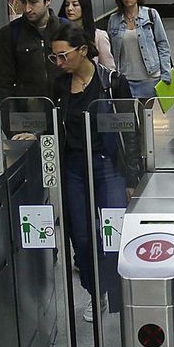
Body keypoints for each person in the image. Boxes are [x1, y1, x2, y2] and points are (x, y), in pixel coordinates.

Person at [28, 25, 141, 322]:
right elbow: (52, 122)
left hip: (108, 165)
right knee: (81, 236)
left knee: (114, 233)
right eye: (54, 57)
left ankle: (121, 295)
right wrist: (35, 133)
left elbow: (131, 131)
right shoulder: (59, 86)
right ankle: (95, 291)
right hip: (74, 166)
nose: (59, 62)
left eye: (63, 55)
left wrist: (132, 177)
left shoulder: (112, 83)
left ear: (82, 50)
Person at [0, 0, 67, 103]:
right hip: (28, 110)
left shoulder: (66, 29)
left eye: (33, 2)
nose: (27, 9)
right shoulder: (9, 33)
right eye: (23, 2)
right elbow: (4, 83)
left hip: (64, 105)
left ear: (48, 0)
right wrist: (9, 111)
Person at [106, 0, 173, 101]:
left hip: (149, 76)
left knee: (146, 112)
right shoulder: (114, 19)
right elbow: (109, 50)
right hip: (124, 78)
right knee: (126, 112)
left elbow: (162, 44)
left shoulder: (151, 15)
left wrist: (166, 73)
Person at [61, 0, 114, 70]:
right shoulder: (62, 34)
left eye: (75, 5)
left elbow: (108, 69)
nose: (69, 8)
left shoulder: (99, 36)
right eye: (67, 5)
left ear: (84, 7)